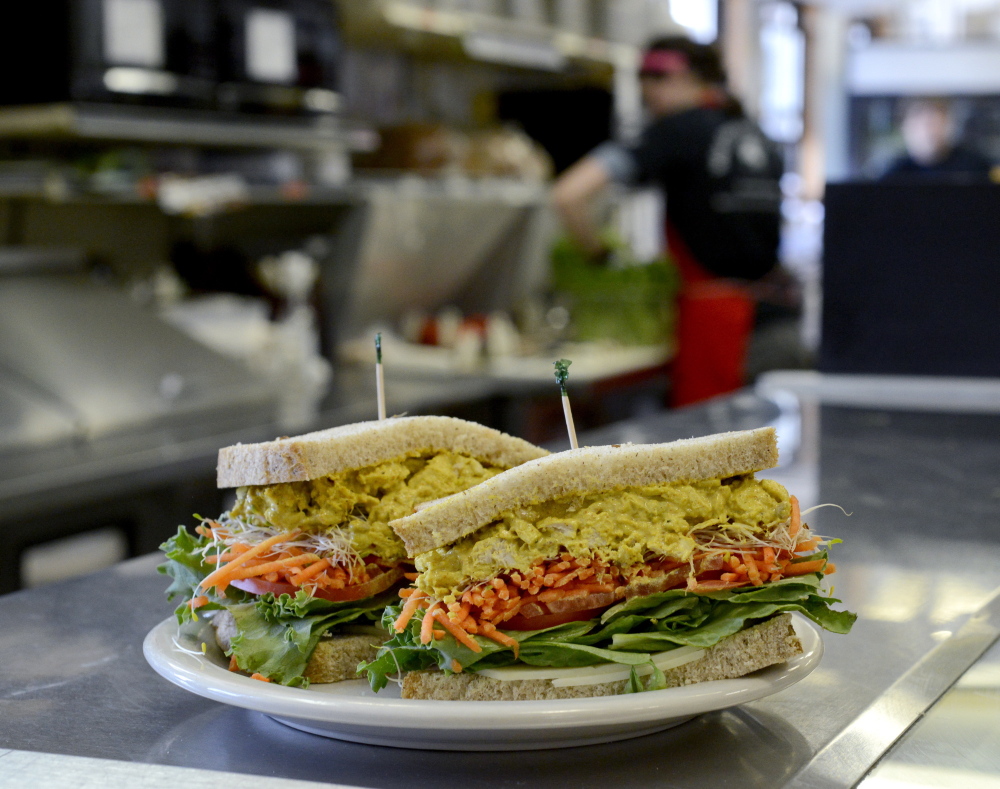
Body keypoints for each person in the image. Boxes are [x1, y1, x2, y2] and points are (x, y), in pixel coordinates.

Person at [552, 36, 793, 407]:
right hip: (779, 318)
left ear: (683, 77)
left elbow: (569, 194)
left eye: (652, 78)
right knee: (763, 452)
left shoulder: (676, 130)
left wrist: (599, 256)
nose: (646, 90)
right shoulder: (754, 133)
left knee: (710, 453)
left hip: (717, 322)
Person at [882, 98, 992, 180]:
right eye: (920, 124)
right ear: (904, 127)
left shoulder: (974, 167)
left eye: (934, 124)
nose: (928, 132)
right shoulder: (894, 175)